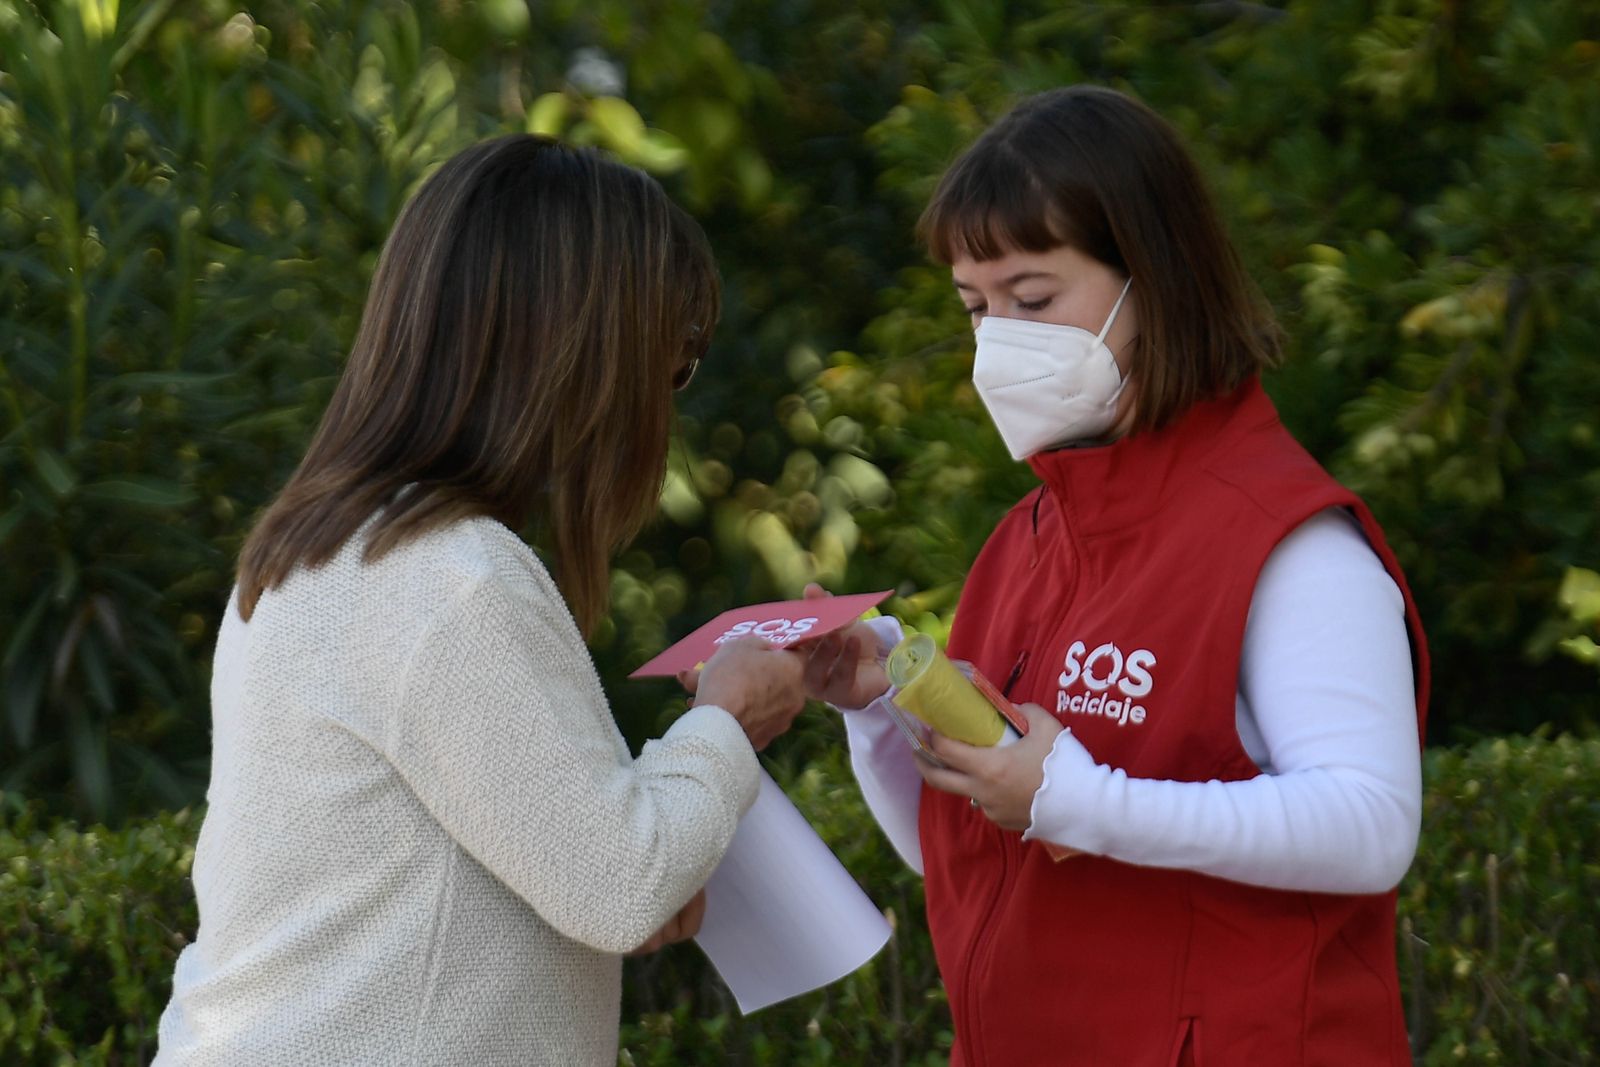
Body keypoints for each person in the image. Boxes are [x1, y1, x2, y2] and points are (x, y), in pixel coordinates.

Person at [800, 86, 1429, 1066]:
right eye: (975, 308)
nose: (997, 342)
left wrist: (1080, 798)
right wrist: (876, 701)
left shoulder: (1291, 544)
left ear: (1157, 275)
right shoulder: (1027, 539)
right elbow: (975, 858)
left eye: (1033, 299)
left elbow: (1369, 824)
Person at [154, 135, 807, 1066]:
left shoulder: (332, 544)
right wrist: (728, 718)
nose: (665, 401)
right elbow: (620, 882)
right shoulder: (449, 577)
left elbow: (503, 860)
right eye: (670, 360)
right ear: (579, 352)